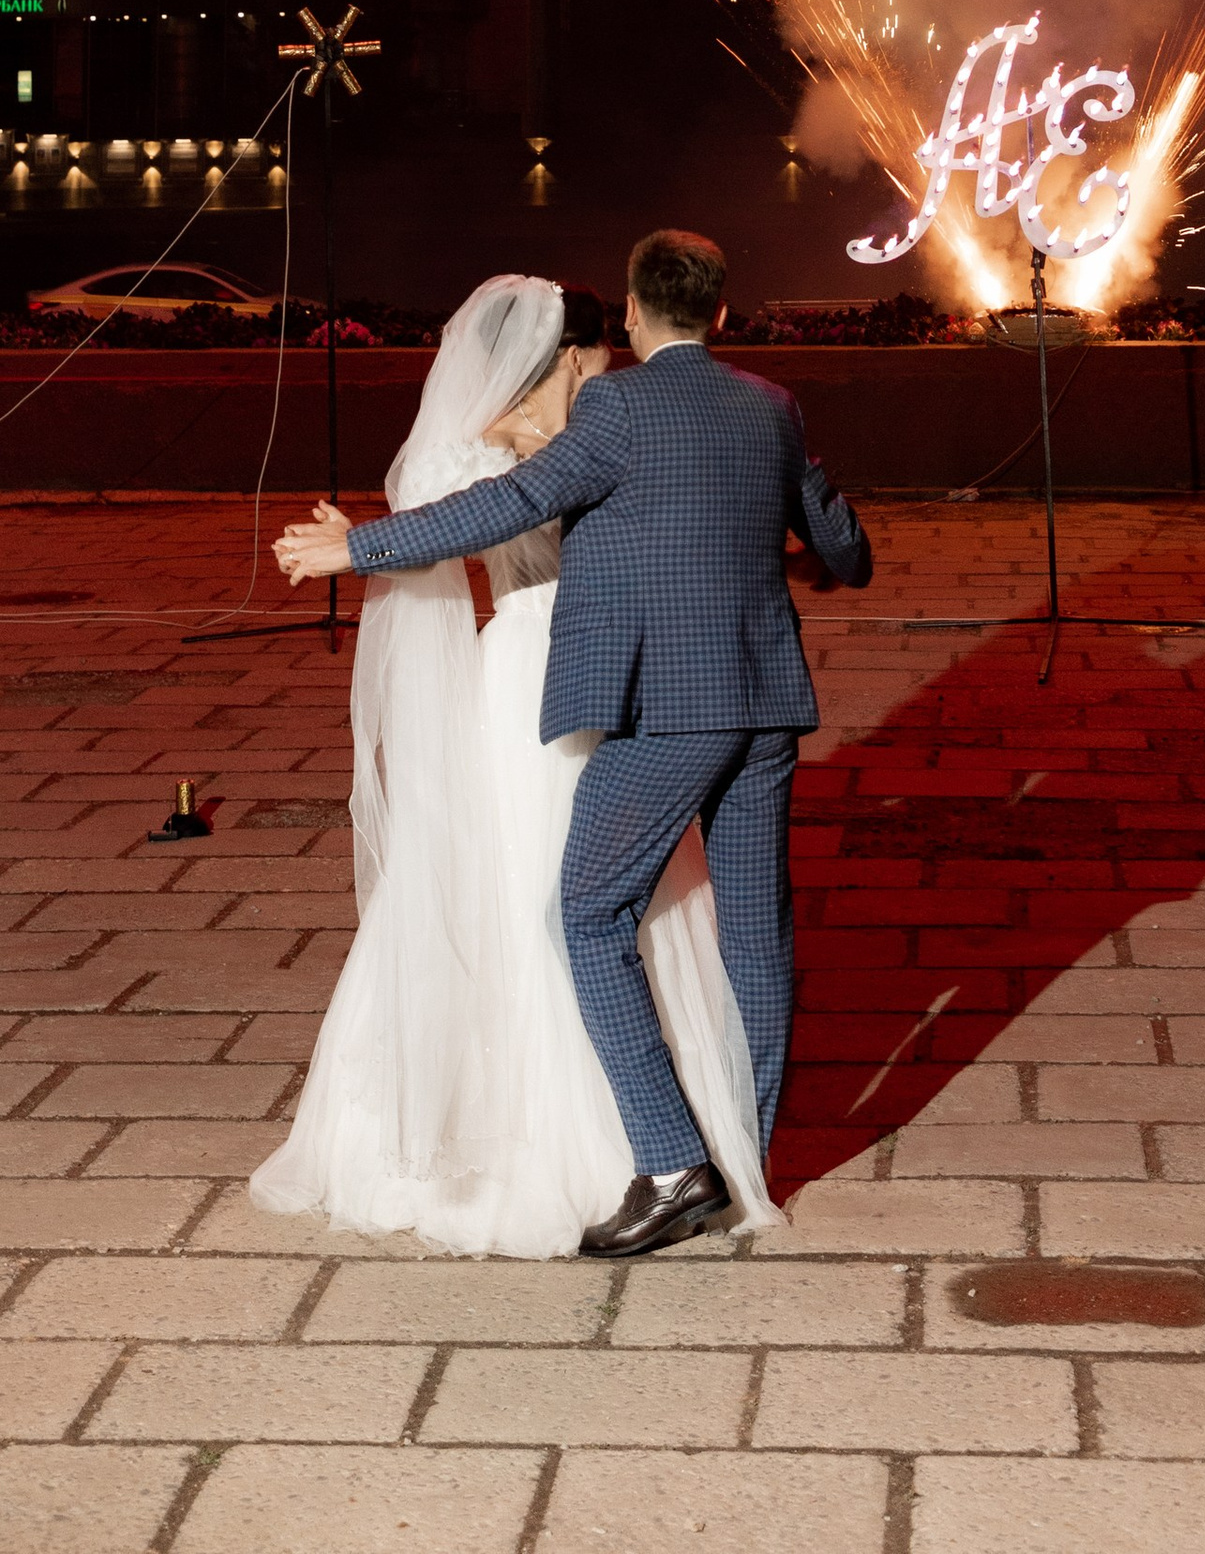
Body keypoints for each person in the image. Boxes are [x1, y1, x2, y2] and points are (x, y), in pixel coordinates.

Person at [273, 227, 873, 1258]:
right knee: (755, 933)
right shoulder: (770, 407)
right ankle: (749, 1156)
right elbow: (843, 548)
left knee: (586, 912)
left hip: (665, 708)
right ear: (721, 315)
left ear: (634, 316)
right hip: (767, 703)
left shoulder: (616, 407)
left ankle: (675, 1158)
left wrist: (354, 547)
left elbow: (510, 504)